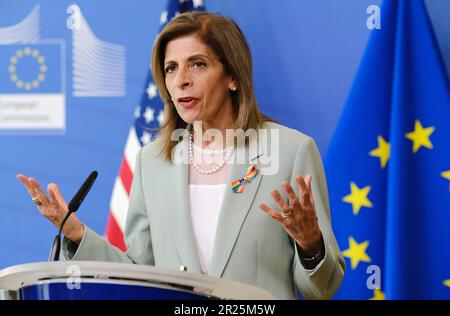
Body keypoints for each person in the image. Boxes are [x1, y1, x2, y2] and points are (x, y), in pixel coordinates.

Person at [17, 12, 345, 300]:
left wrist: (310, 244)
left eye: (197, 64)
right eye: (171, 68)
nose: (181, 80)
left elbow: (323, 288)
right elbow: (139, 275)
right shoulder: (153, 162)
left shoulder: (290, 151)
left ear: (232, 76)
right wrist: (76, 233)